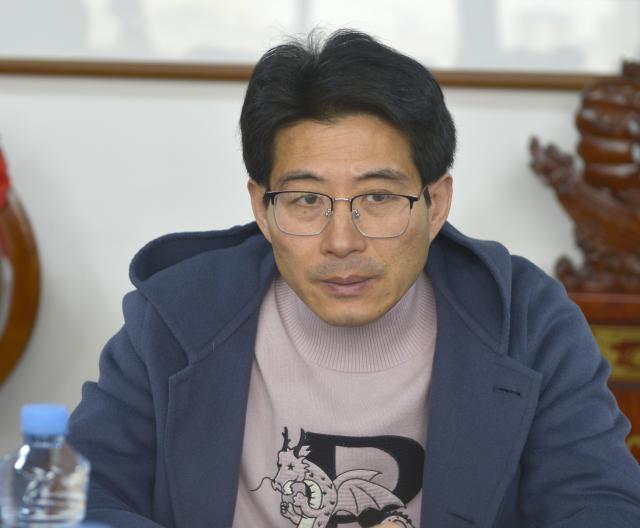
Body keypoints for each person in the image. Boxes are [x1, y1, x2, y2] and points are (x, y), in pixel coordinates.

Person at [68, 29, 640, 528]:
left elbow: (602, 505)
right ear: (262, 208)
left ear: (436, 204)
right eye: (306, 199)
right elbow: (78, 497)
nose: (341, 240)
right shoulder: (174, 315)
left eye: (379, 197)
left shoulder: (528, 321)